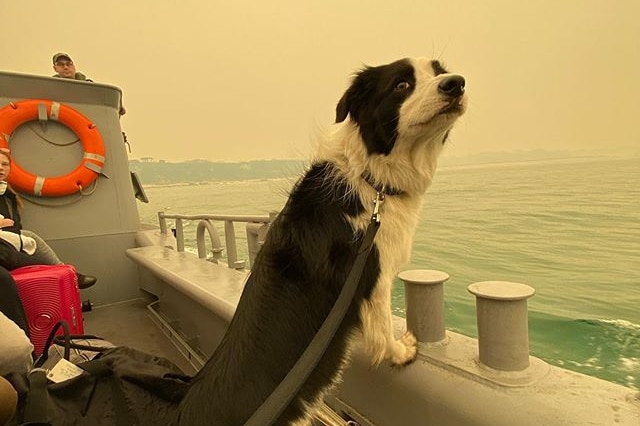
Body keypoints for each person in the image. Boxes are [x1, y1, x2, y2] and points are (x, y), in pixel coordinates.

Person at [0, 148, 97, 289]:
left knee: (29, 236)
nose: (0, 168)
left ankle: (65, 272)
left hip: (11, 242)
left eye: (4, 164)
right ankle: (66, 273)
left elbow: (16, 226)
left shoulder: (9, 195)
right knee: (29, 243)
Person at [51, 52, 126, 115]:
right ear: (55, 68)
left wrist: (118, 106)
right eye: (61, 64)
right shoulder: (51, 88)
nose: (66, 67)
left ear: (74, 66)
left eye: (69, 64)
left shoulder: (89, 86)